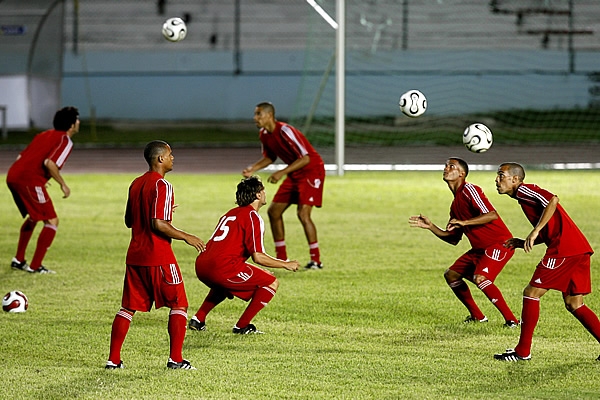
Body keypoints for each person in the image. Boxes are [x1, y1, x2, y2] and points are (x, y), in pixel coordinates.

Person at [106, 140, 205, 370]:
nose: (173, 157)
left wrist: (162, 213)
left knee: (127, 308)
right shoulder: (163, 185)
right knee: (179, 304)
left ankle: (113, 360)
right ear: (160, 159)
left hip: (135, 257)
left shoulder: (136, 183)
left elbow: (129, 221)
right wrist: (186, 236)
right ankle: (176, 359)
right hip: (158, 256)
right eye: (170, 154)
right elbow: (158, 223)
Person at [494, 162, 600, 361]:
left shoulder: (525, 190)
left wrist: (535, 231)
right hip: (577, 249)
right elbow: (550, 225)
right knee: (574, 303)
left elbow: (552, 200)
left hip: (564, 250)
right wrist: (523, 240)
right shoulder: (521, 198)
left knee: (531, 293)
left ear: (515, 180)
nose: (497, 180)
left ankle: (523, 351)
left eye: (501, 176)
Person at [409, 158, 519, 327]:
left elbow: (492, 215)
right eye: (445, 165)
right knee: (451, 275)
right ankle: (478, 317)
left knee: (480, 278)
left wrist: (464, 222)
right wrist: (431, 226)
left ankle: (512, 321)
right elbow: (453, 239)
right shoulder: (455, 205)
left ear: (462, 173)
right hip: (479, 249)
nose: (446, 168)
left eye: (451, 166)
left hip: (499, 243)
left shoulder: (470, 190)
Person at [189, 175, 299, 334]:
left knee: (224, 283)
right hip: (222, 267)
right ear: (258, 195)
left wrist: (259, 273)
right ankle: (242, 326)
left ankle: (198, 319)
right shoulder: (253, 216)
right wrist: (285, 264)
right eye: (263, 190)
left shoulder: (230, 213)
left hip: (202, 264)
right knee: (271, 283)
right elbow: (258, 257)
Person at [242, 102, 325, 270]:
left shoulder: (286, 131)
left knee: (303, 214)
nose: (255, 118)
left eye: (259, 114)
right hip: (294, 173)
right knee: (274, 212)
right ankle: (282, 258)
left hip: (311, 171)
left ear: (269, 116)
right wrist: (253, 168)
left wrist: (281, 172)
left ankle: (316, 261)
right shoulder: (264, 134)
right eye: (255, 114)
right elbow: (270, 157)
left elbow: (306, 158)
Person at [6, 106, 80, 274]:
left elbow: (21, 157)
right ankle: (35, 266)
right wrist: (62, 184)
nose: (78, 122)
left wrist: (37, 178)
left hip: (13, 175)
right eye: (77, 119)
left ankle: (18, 260)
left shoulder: (43, 134)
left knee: (34, 216)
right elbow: (49, 163)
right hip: (28, 180)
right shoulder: (65, 140)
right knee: (52, 220)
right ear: (71, 124)